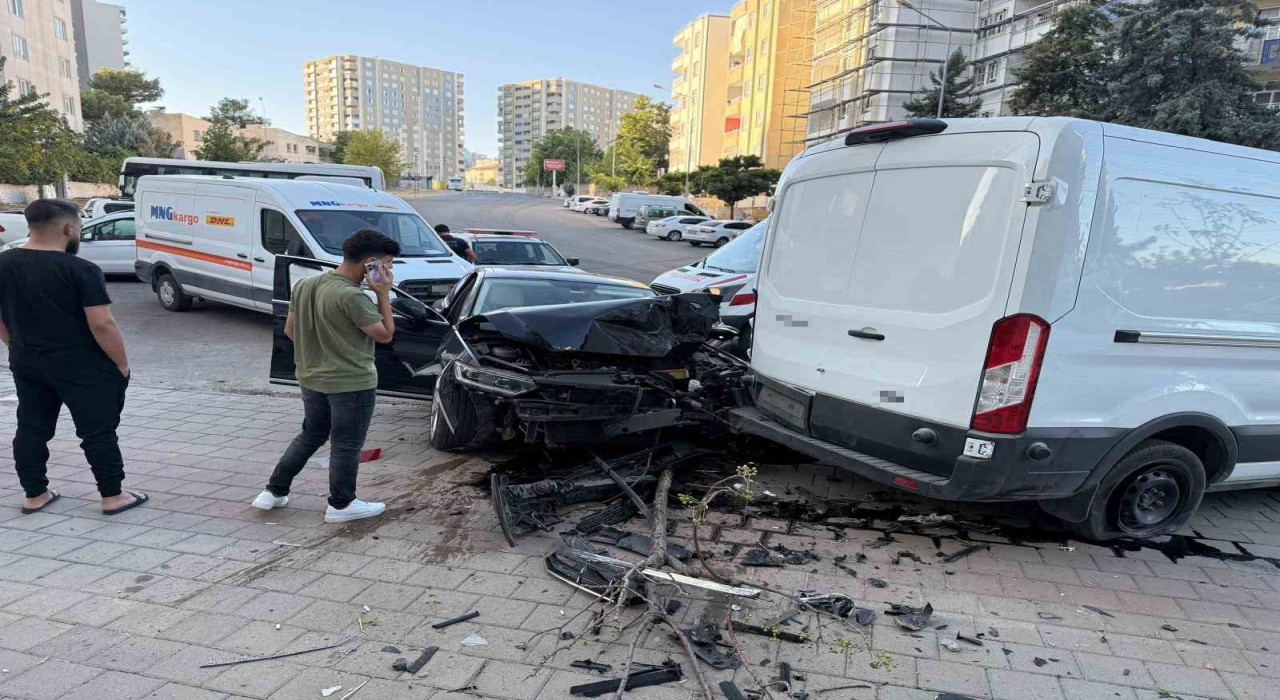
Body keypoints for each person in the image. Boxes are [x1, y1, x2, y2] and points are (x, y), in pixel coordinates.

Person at [0, 199, 145, 516]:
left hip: (27, 360)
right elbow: (102, 324)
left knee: (31, 427)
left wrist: (17, 346)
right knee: (97, 431)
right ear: (69, 228)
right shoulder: (81, 270)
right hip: (81, 365)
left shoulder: (3, 263)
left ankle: (35, 495)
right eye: (79, 226)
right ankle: (113, 496)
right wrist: (121, 364)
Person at [252, 229, 399, 523]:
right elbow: (385, 334)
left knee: (311, 434)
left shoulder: (305, 285)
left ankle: (273, 492)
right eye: (388, 263)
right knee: (346, 444)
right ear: (370, 263)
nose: (389, 270)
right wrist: (383, 294)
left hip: (311, 378)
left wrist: (322, 347)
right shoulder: (352, 296)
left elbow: (290, 330)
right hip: (351, 383)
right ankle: (342, 505)